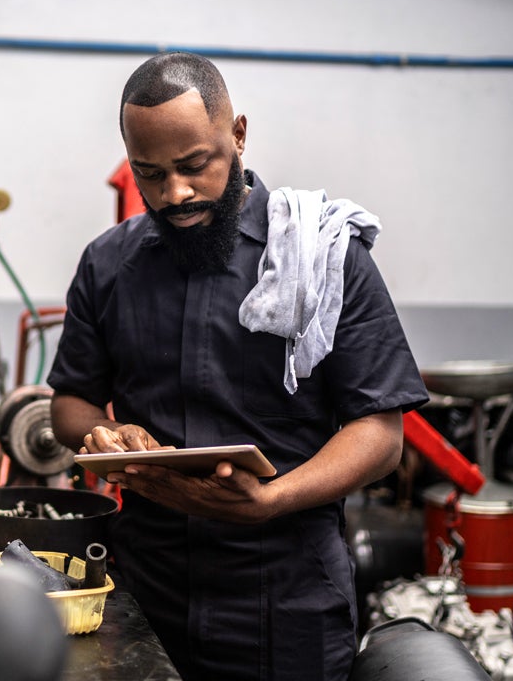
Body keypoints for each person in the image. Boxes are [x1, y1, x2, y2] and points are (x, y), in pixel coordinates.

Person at [47, 52, 429, 680]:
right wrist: (107, 438)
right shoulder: (108, 265)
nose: (175, 194)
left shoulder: (322, 258)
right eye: (150, 173)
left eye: (196, 165)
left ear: (240, 135)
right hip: (143, 595)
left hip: (286, 604)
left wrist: (273, 499)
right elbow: (70, 403)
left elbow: (380, 436)